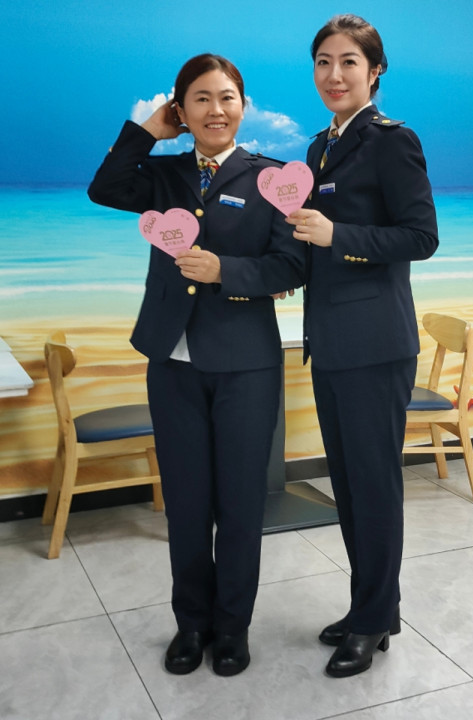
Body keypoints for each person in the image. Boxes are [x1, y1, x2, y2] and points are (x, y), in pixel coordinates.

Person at [88, 53, 305, 677]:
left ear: (244, 106)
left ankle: (232, 628)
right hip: (172, 362)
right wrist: (147, 132)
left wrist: (223, 271)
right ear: (182, 110)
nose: (216, 110)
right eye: (201, 99)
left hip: (246, 365)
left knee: (239, 503)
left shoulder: (272, 178)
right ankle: (191, 624)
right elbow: (104, 188)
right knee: (185, 503)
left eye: (227, 97)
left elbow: (292, 266)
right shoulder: (163, 175)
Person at [286, 15, 439, 678]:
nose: (334, 74)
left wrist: (336, 235)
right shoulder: (318, 147)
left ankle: (374, 620)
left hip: (376, 345)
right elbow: (312, 239)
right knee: (349, 488)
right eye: (323, 61)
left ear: (374, 71)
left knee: (373, 489)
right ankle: (368, 609)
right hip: (331, 343)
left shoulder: (392, 141)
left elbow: (421, 237)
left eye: (348, 61)